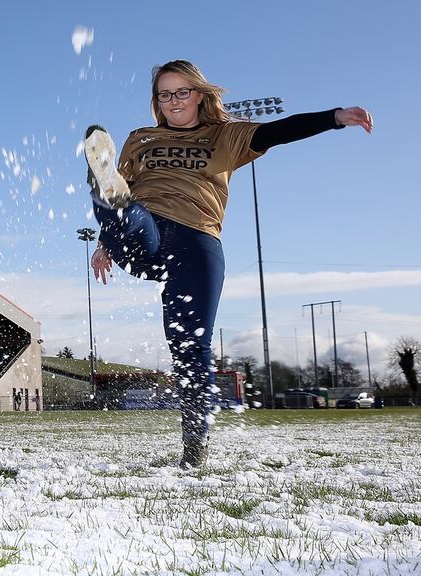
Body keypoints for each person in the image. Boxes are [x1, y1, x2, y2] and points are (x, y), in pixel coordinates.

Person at [83, 60, 372, 468]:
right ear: (157, 102)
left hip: (196, 238)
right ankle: (103, 190)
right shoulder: (140, 138)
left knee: (188, 342)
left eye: (182, 92)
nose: (173, 101)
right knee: (126, 208)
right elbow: (126, 188)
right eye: (164, 95)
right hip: (144, 229)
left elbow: (279, 130)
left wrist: (335, 118)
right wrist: (104, 242)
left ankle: (195, 443)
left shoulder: (226, 135)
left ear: (200, 94)